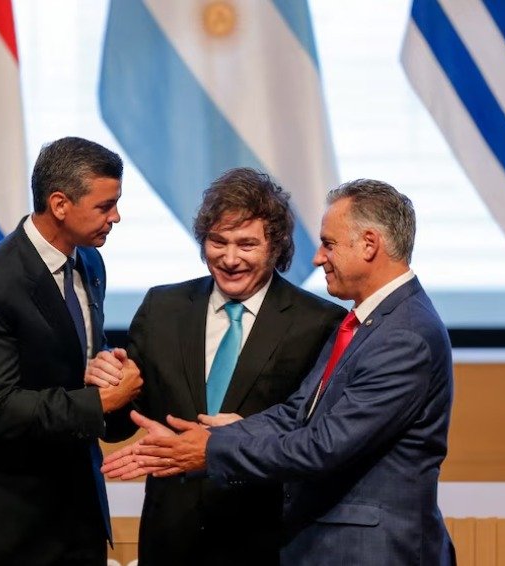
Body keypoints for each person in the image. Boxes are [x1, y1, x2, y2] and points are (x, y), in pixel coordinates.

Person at [105, 179, 456, 565]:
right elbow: (297, 413)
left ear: (369, 244)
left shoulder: (404, 334)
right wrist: (216, 436)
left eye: (329, 244)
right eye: (219, 241)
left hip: (369, 550)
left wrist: (210, 449)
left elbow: (323, 446)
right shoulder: (369, 323)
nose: (319, 258)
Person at [86, 167, 344, 565]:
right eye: (217, 241)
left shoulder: (319, 323)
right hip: (171, 541)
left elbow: (318, 442)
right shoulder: (162, 308)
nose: (230, 258)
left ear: (276, 246)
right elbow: (121, 422)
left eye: (246, 244)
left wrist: (244, 438)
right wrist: (107, 383)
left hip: (267, 542)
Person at [0, 136, 143, 566]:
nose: (116, 217)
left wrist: (109, 369)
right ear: (60, 204)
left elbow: (78, 356)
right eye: (105, 206)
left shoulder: (90, 262)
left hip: (76, 523)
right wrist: (100, 401)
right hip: (1, 531)